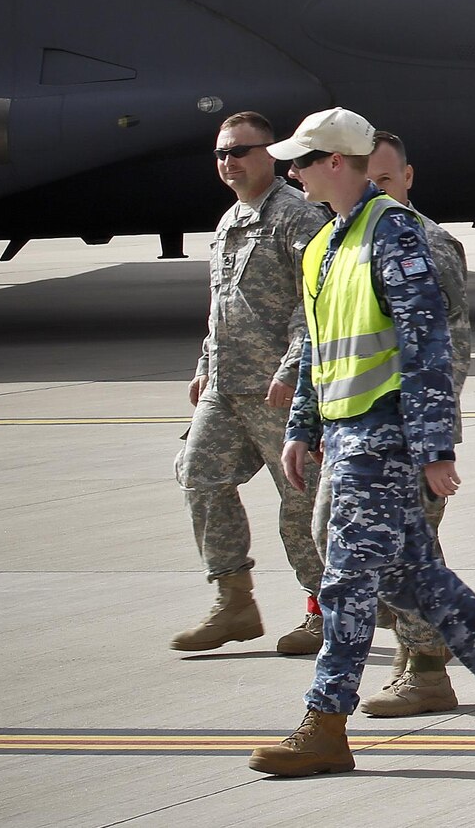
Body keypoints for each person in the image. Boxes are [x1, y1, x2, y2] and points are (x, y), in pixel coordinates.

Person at [249, 108, 475, 777]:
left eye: (302, 160)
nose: (291, 170)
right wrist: (302, 427)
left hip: (383, 435)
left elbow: (428, 343)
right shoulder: (324, 245)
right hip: (345, 430)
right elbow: (316, 348)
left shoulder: (393, 236)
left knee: (347, 579)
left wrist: (434, 447)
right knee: (409, 574)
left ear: (336, 162)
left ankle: (325, 721)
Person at [309, 130, 474, 718]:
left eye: (384, 180)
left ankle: (429, 668)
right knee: (361, 542)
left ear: (406, 178)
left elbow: (445, 345)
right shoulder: (339, 240)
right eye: (367, 178)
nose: (373, 189)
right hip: (355, 427)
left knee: (399, 551)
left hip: (404, 431)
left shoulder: (424, 241)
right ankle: (446, 655)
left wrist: (428, 436)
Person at [173, 110, 327, 656]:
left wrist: (293, 367)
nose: (228, 162)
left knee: (302, 506)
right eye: (220, 153)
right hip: (227, 385)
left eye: (239, 151)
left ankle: (324, 609)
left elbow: (313, 305)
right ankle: (233, 600)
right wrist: (204, 363)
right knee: (199, 477)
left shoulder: (298, 217)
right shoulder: (230, 220)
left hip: (279, 390)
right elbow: (222, 305)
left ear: (273, 153)